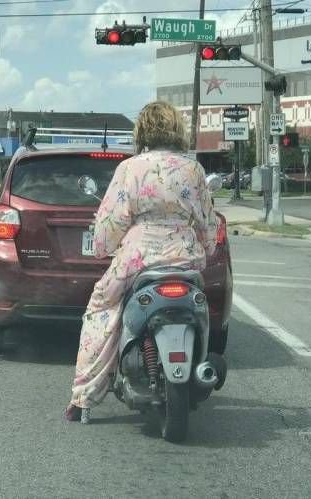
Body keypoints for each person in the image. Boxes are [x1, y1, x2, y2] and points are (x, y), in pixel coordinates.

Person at [65, 101, 218, 423]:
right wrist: (207, 248)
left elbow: (112, 220)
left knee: (101, 310)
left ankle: (83, 398)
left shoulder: (129, 168)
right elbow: (207, 221)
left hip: (139, 257)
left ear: (143, 130)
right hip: (185, 257)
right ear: (176, 129)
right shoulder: (194, 169)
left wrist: (103, 248)